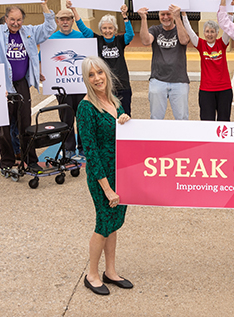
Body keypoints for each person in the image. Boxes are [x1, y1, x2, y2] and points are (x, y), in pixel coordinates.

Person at [0, 0, 55, 174]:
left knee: (26, 124)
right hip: (2, 86)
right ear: (6, 18)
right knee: (4, 126)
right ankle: (7, 161)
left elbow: (49, 28)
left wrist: (44, 5)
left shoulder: (29, 32)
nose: (15, 23)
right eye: (12, 19)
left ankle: (29, 160)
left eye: (19, 20)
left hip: (21, 83)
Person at [76, 56, 133, 296]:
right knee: (103, 224)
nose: (97, 78)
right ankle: (92, 274)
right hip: (102, 176)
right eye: (91, 75)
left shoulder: (114, 101)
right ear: (86, 80)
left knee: (114, 223)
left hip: (120, 171)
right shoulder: (86, 107)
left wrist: (125, 120)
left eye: (99, 72)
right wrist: (107, 188)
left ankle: (110, 271)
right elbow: (91, 152)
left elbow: (123, 134)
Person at [48, 0, 95, 159]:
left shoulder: (82, 36)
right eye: (62, 19)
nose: (65, 22)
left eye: (68, 19)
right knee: (66, 119)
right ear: (57, 21)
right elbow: (45, 61)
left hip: (81, 86)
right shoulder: (52, 39)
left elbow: (91, 47)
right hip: (63, 88)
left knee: (83, 118)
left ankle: (83, 147)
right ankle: (68, 147)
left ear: (72, 21)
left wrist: (74, 9)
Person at [138, 4, 190, 120]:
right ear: (159, 16)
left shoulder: (180, 29)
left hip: (179, 80)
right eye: (162, 14)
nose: (166, 17)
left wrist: (178, 17)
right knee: (156, 118)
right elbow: (146, 41)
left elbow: (184, 40)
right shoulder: (155, 30)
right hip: (158, 80)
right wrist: (143, 18)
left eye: (168, 14)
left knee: (182, 118)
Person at [181, 10, 233, 121]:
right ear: (204, 33)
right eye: (207, 31)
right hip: (206, 90)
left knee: (224, 121)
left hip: (224, 89)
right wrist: (184, 16)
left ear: (217, 33)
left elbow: (228, 30)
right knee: (206, 121)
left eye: (212, 31)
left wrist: (231, 14)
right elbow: (190, 31)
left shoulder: (222, 43)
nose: (210, 34)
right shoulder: (201, 44)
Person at [96, 6, 135, 116]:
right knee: (106, 116)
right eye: (104, 28)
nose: (107, 31)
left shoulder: (120, 40)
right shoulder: (97, 40)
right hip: (104, 87)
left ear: (115, 29)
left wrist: (125, 17)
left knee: (125, 115)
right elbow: (84, 30)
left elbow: (130, 35)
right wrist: (74, 10)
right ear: (100, 30)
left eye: (110, 28)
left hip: (122, 86)